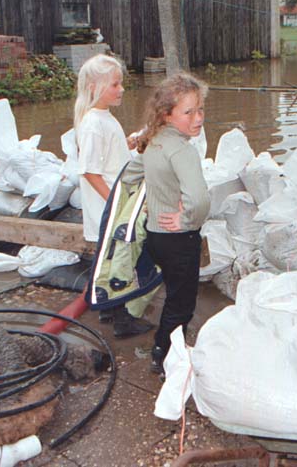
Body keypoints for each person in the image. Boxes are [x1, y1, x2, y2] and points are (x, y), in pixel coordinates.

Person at [126, 73, 210, 377]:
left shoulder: (154, 143)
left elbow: (128, 176)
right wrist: (187, 217)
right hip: (179, 238)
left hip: (156, 236)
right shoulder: (182, 151)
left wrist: (153, 199)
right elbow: (200, 199)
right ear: (167, 115)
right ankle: (164, 357)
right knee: (181, 302)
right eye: (188, 112)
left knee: (173, 294)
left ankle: (163, 349)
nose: (198, 118)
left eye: (200, 109)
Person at [74, 54, 150, 337]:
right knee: (117, 260)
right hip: (109, 205)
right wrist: (116, 204)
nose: (121, 90)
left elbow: (108, 159)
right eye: (115, 85)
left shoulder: (103, 119)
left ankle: (106, 307)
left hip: (112, 201)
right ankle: (121, 319)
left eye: (121, 84)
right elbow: (90, 172)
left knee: (109, 256)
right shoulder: (94, 123)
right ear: (94, 86)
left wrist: (128, 143)